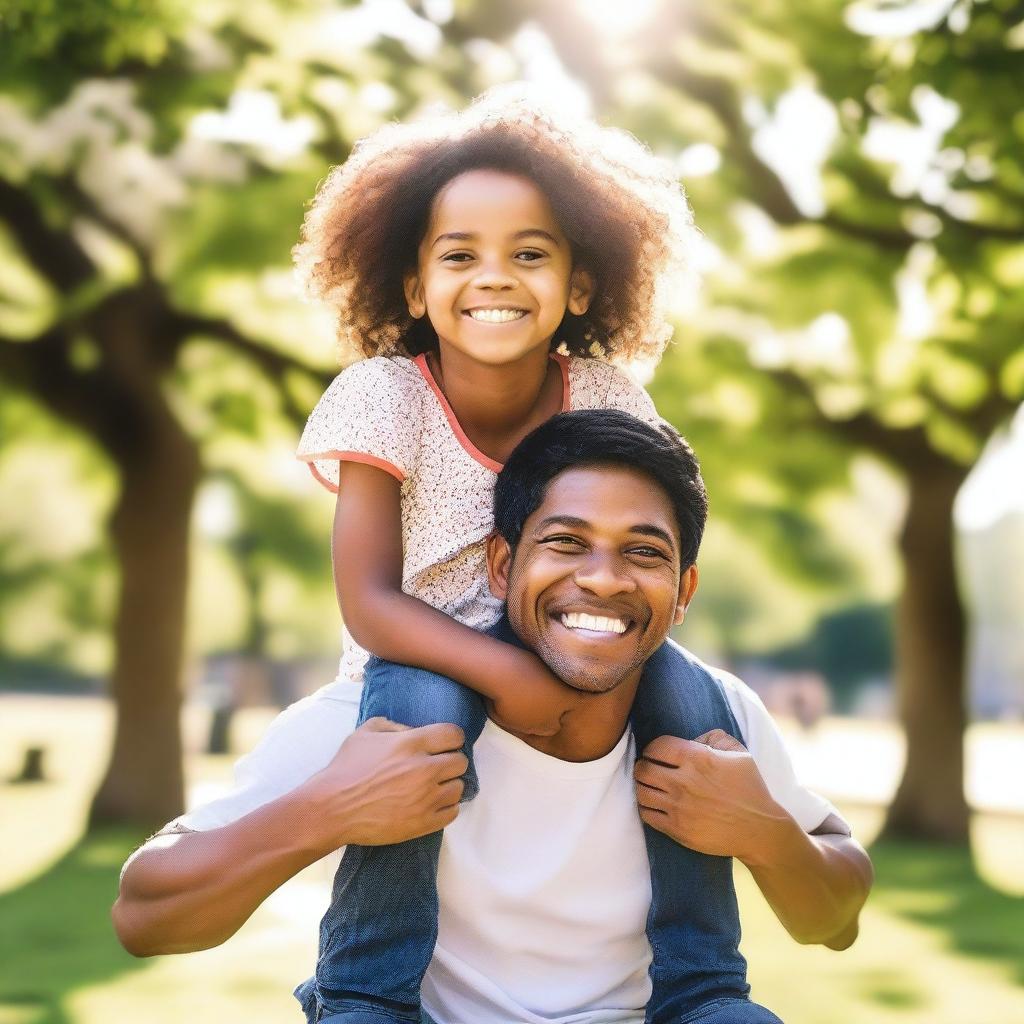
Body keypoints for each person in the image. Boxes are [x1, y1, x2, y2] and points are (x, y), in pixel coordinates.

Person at [113, 409, 873, 1024]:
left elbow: (834, 922)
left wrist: (766, 834)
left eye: (643, 553)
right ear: (504, 565)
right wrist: (329, 807)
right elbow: (144, 916)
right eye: (566, 542)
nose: (602, 580)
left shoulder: (718, 720)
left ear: (683, 590)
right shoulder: (377, 721)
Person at [285, 85, 713, 1019]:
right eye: (459, 255)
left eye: (530, 253)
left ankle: (702, 981)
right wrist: (504, 677)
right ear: (413, 286)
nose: (495, 277)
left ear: (581, 285)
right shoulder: (382, 396)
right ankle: (364, 990)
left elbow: (656, 525)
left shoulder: (602, 391)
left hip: (567, 634)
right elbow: (367, 600)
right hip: (423, 651)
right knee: (419, 724)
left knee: (696, 700)